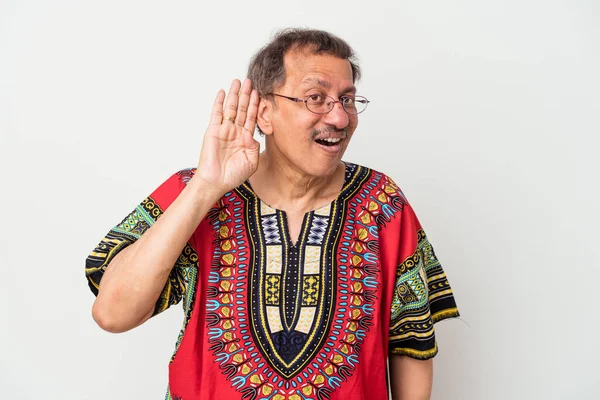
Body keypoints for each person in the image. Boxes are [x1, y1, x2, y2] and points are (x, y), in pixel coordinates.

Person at [85, 28, 460, 400]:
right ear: (264, 113)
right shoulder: (195, 192)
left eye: (346, 100)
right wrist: (205, 188)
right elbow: (113, 314)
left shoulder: (382, 203)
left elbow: (410, 342)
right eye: (316, 98)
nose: (341, 119)